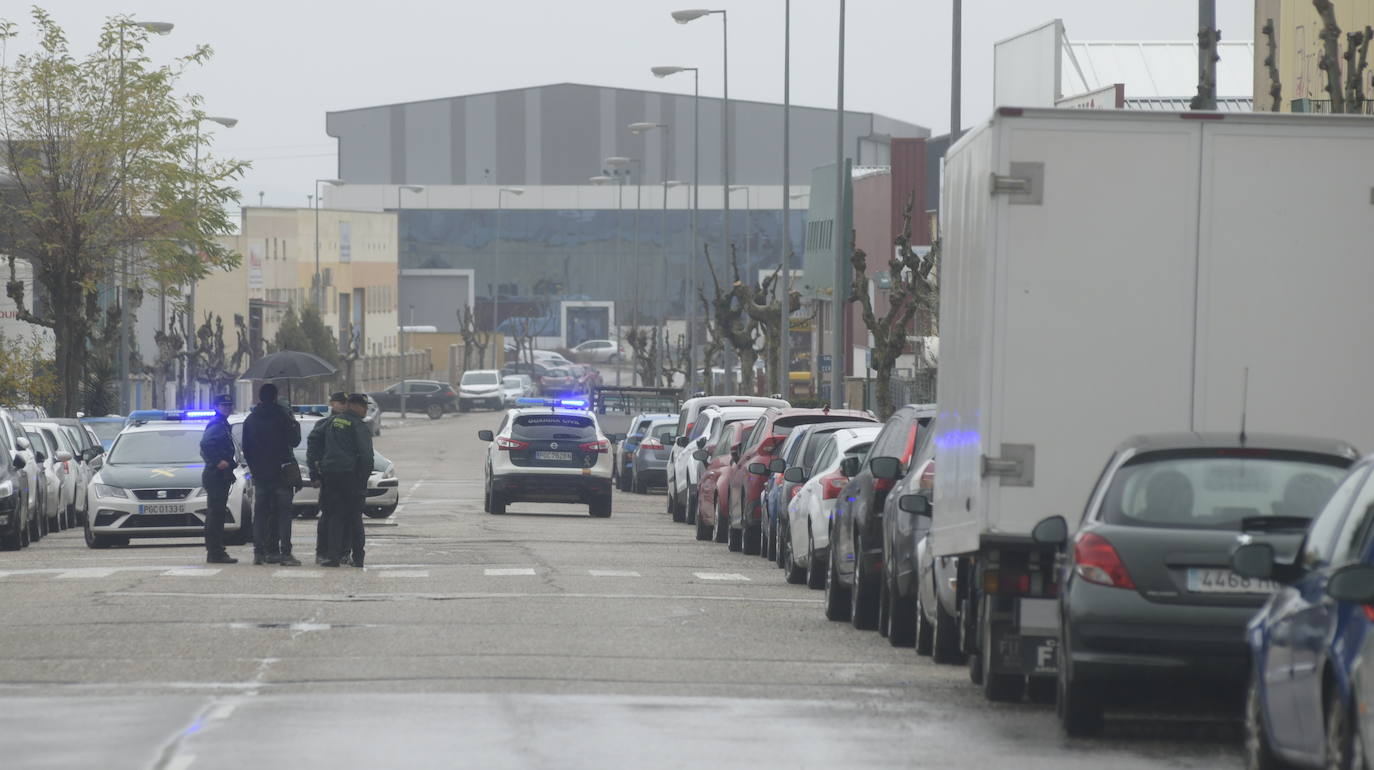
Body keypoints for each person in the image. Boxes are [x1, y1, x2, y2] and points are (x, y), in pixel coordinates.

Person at [242, 383, 303, 566]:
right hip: (281, 473)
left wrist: (256, 469)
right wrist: (294, 422)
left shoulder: (250, 420)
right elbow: (294, 441)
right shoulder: (282, 416)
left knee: (260, 514)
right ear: (275, 397)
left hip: (261, 475)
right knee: (284, 514)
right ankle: (285, 553)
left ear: (260, 398)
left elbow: (246, 449)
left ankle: (259, 553)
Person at [314, 393, 370, 567]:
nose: (366, 410)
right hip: (351, 477)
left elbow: (315, 439)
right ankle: (359, 558)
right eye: (364, 407)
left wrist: (318, 467)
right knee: (354, 518)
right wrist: (364, 477)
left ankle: (333, 556)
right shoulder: (358, 425)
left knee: (334, 517)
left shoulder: (331, 422)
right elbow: (367, 455)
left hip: (331, 476)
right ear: (356, 406)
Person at [307, 392, 348, 564]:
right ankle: (322, 552)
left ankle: (344, 551)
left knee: (347, 516)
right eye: (340, 403)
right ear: (332, 404)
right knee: (328, 516)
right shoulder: (324, 424)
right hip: (328, 477)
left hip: (347, 477)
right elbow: (313, 450)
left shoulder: (350, 424)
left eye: (345, 403)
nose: (343, 406)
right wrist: (314, 474)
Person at [198, 394, 239, 564]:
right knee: (216, 514)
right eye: (224, 405)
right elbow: (206, 445)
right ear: (216, 406)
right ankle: (215, 552)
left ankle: (216, 550)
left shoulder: (223, 423)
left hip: (219, 475)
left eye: (229, 405)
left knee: (217, 513)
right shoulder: (217, 424)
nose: (227, 407)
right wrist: (218, 461)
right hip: (215, 475)